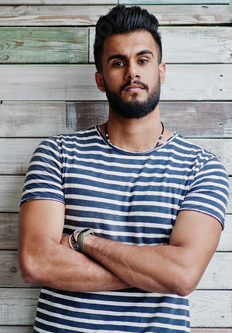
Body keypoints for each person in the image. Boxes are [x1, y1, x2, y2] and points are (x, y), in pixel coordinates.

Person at [18, 5, 229, 333]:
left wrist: (84, 242)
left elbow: (182, 276)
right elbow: (36, 262)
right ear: (101, 80)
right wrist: (153, 272)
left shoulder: (201, 168)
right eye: (118, 63)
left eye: (143, 60)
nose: (132, 72)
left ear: (161, 71)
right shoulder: (56, 155)